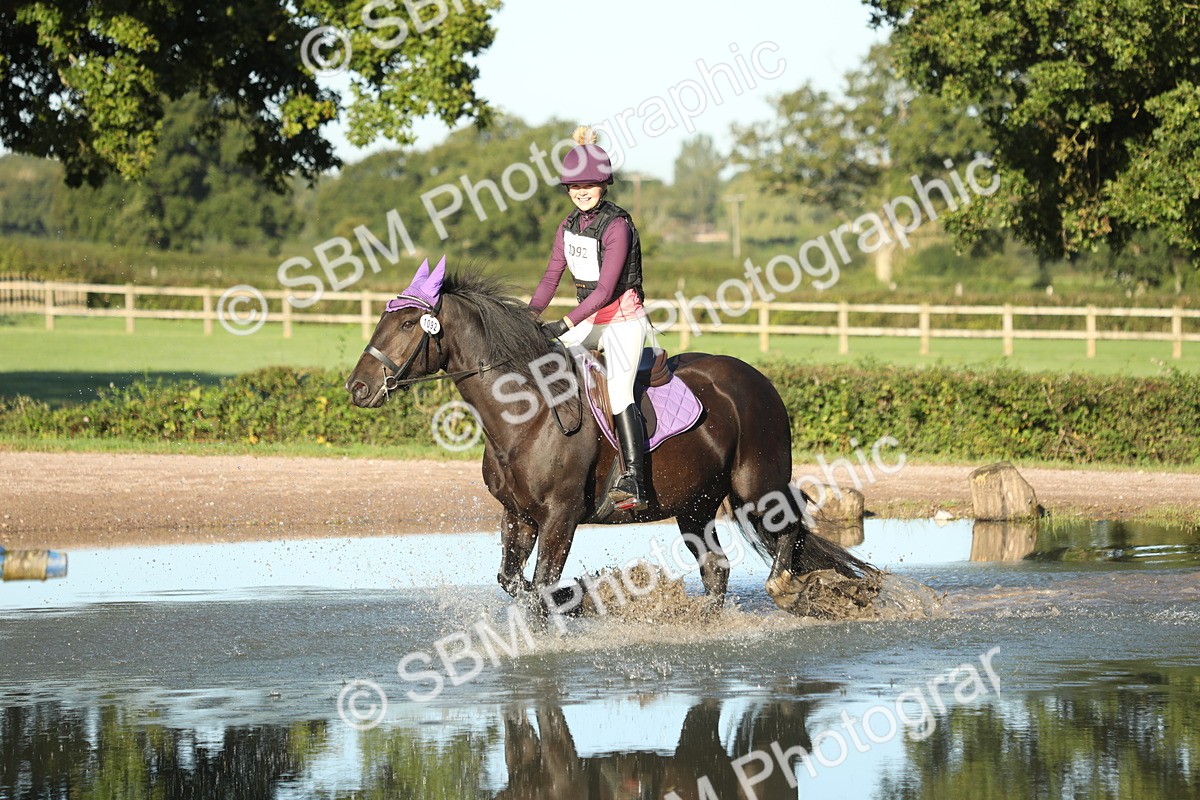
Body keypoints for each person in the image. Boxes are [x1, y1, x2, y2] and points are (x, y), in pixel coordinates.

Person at [529, 126, 650, 512]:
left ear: (604, 186)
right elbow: (551, 277)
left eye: (590, 185)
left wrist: (562, 325)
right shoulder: (567, 226)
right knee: (546, 365)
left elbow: (603, 291)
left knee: (618, 391)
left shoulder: (617, 225)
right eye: (575, 186)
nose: (582, 192)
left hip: (622, 320)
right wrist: (529, 318)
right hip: (590, 319)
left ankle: (633, 478)